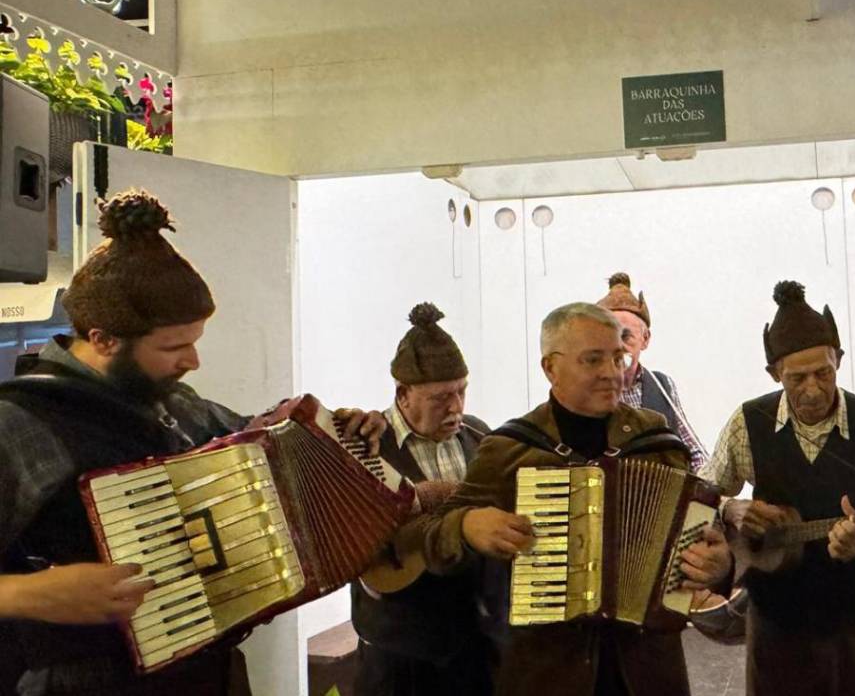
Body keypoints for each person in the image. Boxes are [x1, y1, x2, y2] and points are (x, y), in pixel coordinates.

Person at [0, 190, 385, 696]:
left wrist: (343, 432)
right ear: (103, 339)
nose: (193, 362)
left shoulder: (177, 404)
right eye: (174, 347)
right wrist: (28, 593)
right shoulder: (19, 425)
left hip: (206, 672)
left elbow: (268, 447)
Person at [412, 302, 732, 696]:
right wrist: (466, 525)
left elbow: (702, 537)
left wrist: (718, 564)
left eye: (617, 357)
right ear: (551, 367)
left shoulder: (656, 442)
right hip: (547, 673)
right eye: (592, 360)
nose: (611, 373)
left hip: (648, 671)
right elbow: (429, 538)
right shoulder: (510, 450)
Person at [701, 280, 855, 696]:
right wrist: (730, 509)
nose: (812, 388)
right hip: (776, 624)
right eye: (796, 378)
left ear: (839, 360)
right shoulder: (747, 423)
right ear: (774, 372)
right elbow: (701, 494)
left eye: (823, 372)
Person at [351, 303, 502, 696]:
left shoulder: (479, 436)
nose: (456, 407)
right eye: (441, 397)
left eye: (462, 392)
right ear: (403, 394)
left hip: (472, 645)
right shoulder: (367, 446)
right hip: (400, 658)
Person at [597, 273, 709, 471]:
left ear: (645, 339)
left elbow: (694, 451)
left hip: (659, 498)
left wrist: (705, 484)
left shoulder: (662, 385)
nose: (617, 347)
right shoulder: (584, 389)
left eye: (626, 336)